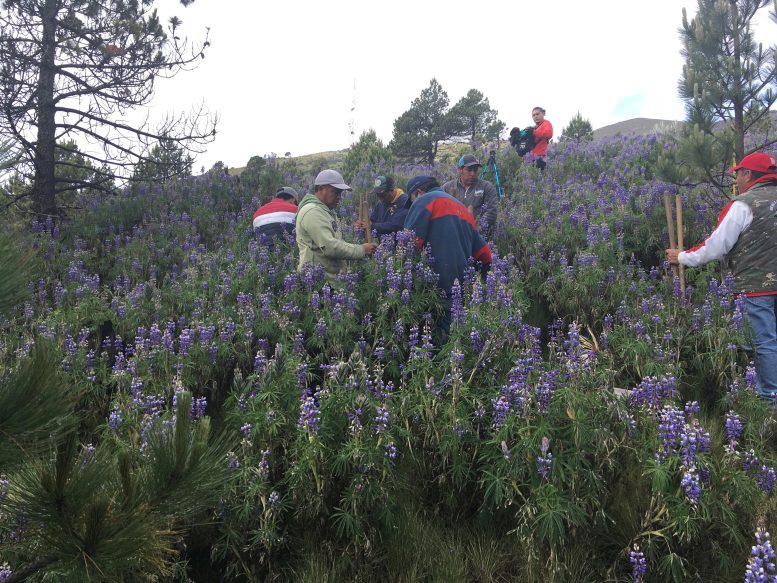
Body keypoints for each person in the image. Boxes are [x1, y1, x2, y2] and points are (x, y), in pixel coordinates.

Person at [666, 151, 777, 402]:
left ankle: (770, 402)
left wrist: (682, 257)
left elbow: (716, 246)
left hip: (755, 287)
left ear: (748, 174)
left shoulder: (743, 204)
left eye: (738, 174)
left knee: (764, 344)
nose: (736, 179)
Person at [404, 175, 492, 341]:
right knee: (456, 344)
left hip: (433, 292)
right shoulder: (463, 210)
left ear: (418, 192)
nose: (412, 206)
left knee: (432, 345)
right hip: (461, 294)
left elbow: (409, 245)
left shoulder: (425, 201)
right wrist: (482, 282)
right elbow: (484, 254)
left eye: (412, 200)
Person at [296, 169, 377, 281]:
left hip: (331, 279)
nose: (339, 196)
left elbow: (337, 242)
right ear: (320, 189)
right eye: (335, 192)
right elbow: (330, 247)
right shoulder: (313, 211)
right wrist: (361, 250)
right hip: (316, 281)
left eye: (341, 193)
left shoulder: (326, 211)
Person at [441, 155, 498, 240]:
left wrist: (475, 230)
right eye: (469, 170)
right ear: (460, 170)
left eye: (475, 170)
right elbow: (440, 210)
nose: (473, 173)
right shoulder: (447, 187)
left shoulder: (486, 187)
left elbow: (491, 212)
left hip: (480, 237)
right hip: (453, 236)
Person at [529, 106, 553, 172]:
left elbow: (548, 134)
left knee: (538, 178)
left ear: (543, 113)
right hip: (531, 158)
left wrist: (533, 132)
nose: (535, 116)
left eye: (537, 114)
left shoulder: (546, 123)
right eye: (533, 115)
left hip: (541, 158)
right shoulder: (535, 127)